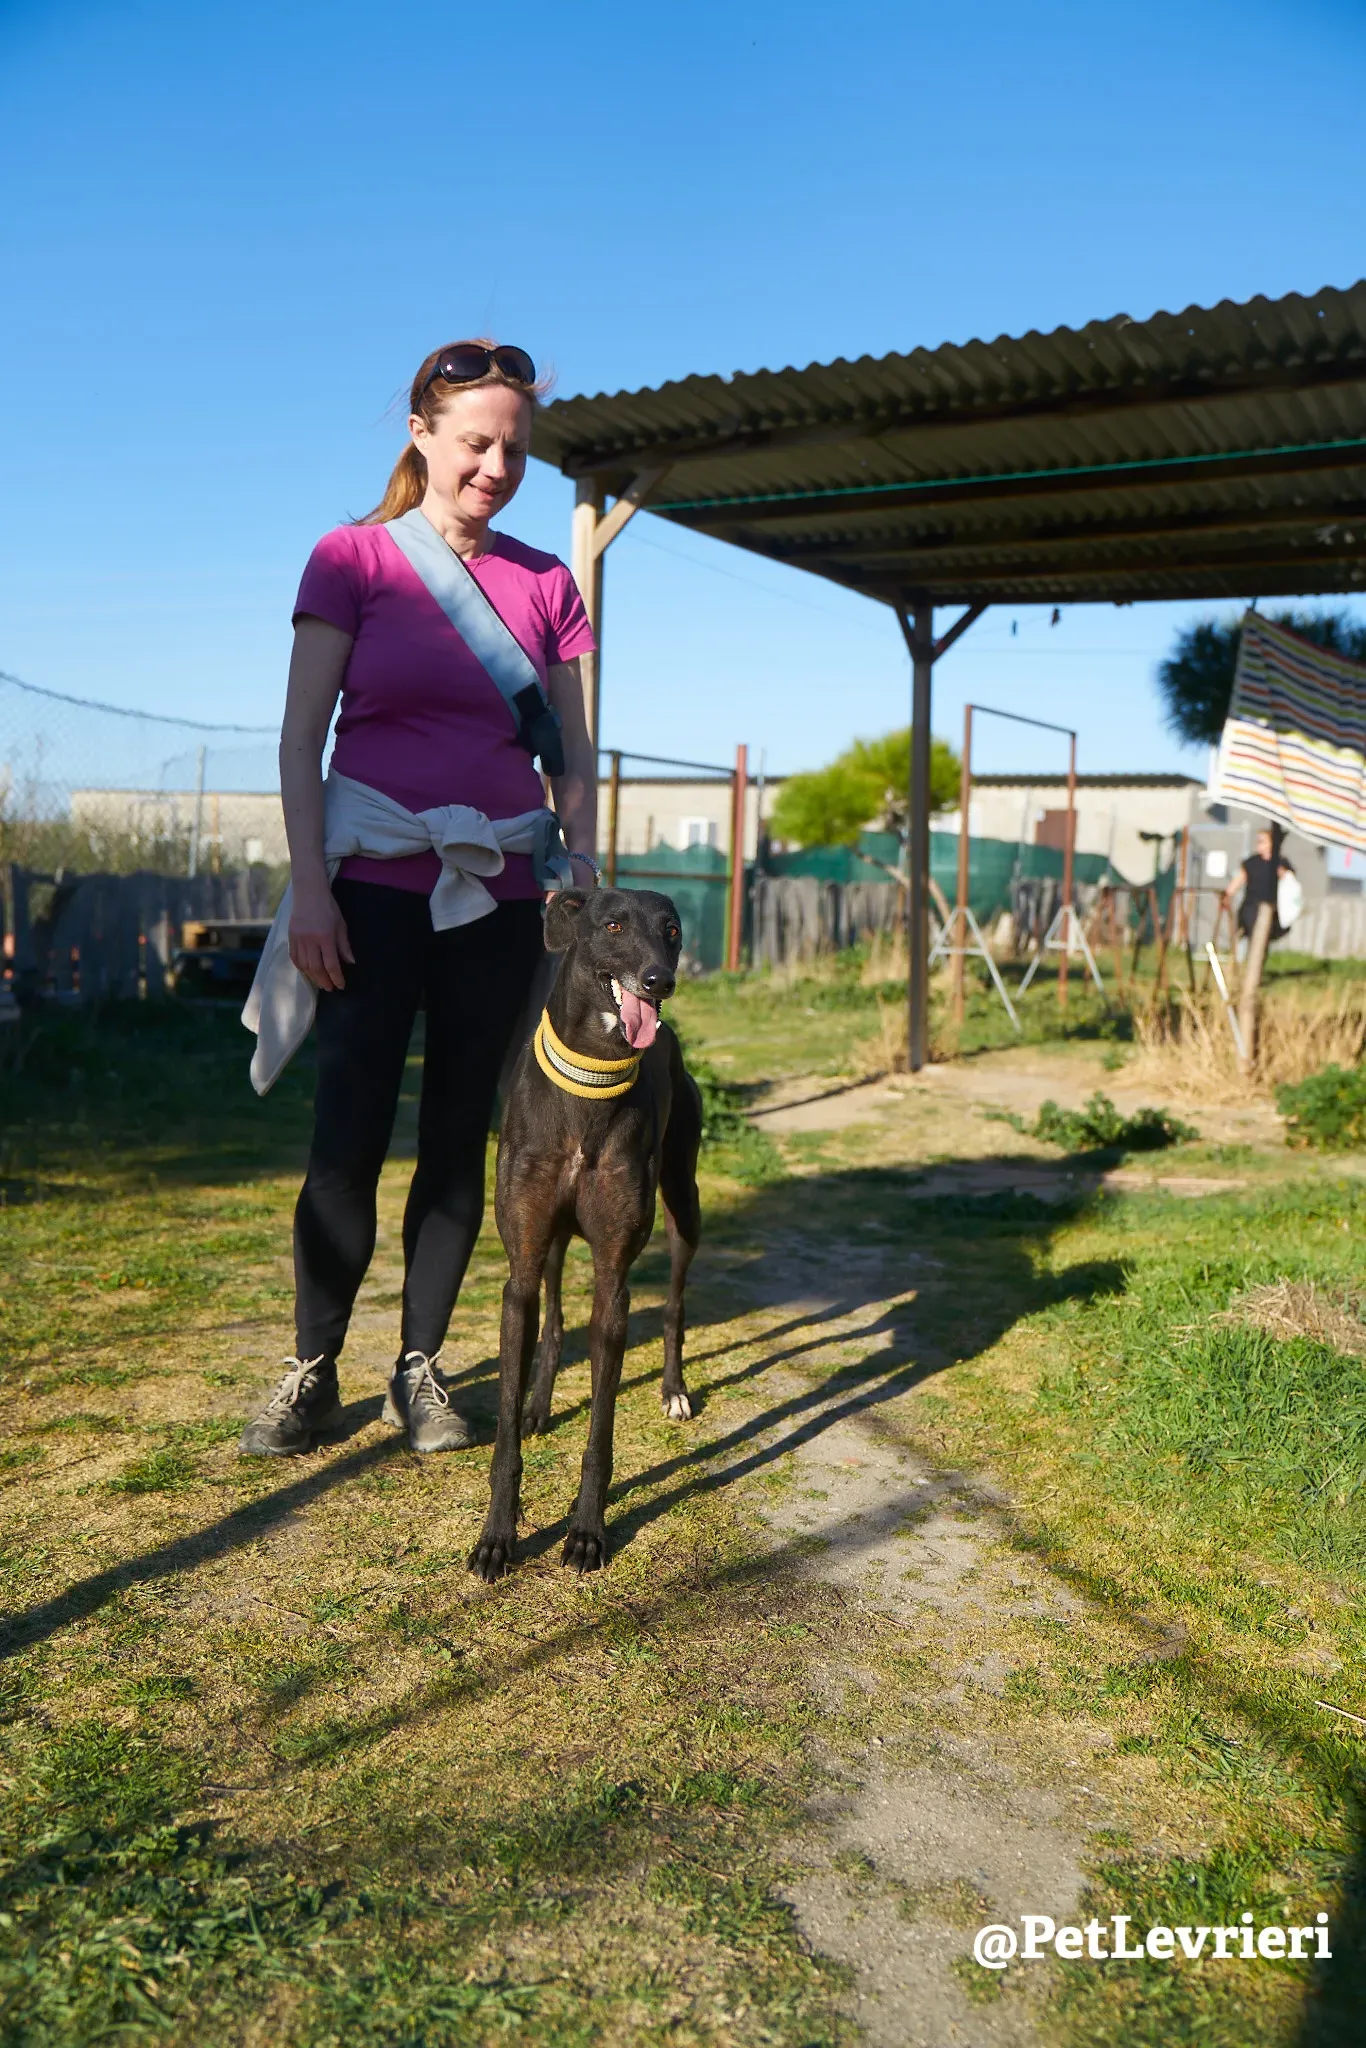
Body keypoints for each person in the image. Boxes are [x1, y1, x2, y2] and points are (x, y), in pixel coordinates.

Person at [239, 341, 598, 1458]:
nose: (496, 465)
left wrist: (576, 865)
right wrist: (311, 890)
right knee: (344, 1136)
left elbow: (575, 756)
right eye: (476, 442)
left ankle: (421, 1369)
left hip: (495, 895)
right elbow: (302, 737)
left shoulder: (547, 582)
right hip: (370, 893)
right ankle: (311, 1369)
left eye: (515, 449)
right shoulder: (349, 559)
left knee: (460, 1138)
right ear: (420, 432)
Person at [1222, 825, 1294, 949]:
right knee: (1253, 935)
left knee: (1263, 940)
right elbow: (1239, 879)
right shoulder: (1252, 863)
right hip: (1252, 907)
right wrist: (1227, 894)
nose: (1259, 845)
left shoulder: (1280, 863)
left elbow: (1289, 882)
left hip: (1272, 908)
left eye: (1262, 841)